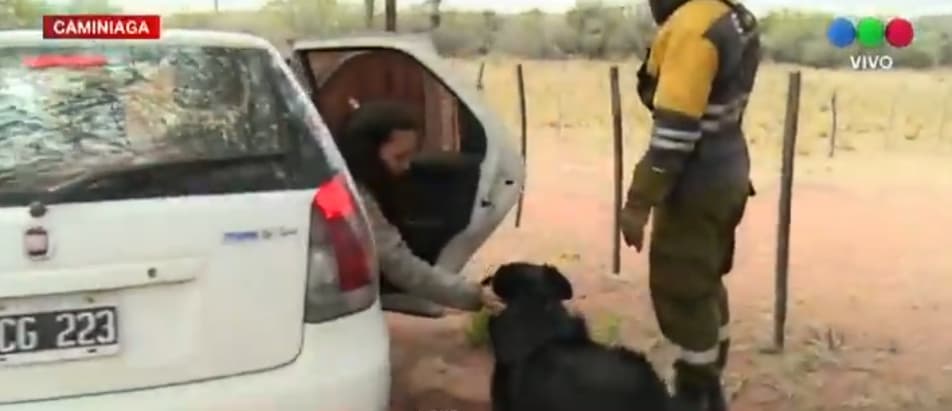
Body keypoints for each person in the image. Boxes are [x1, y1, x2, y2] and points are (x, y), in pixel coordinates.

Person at [619, 0, 761, 410]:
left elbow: (675, 134)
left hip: (696, 181)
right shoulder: (734, 16)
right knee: (705, 281)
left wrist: (638, 201)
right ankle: (710, 383)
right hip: (729, 168)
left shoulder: (695, 28)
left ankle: (695, 392)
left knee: (681, 289)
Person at [336, 100, 504, 317]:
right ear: (367, 152)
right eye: (399, 157)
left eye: (410, 155)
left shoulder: (363, 182)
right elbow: (398, 263)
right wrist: (472, 294)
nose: (407, 166)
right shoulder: (351, 195)